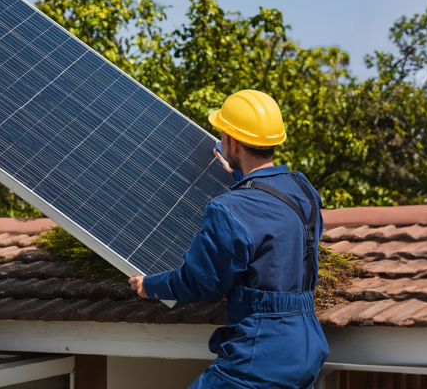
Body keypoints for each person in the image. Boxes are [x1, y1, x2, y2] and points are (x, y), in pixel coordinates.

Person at [129, 89, 329, 389]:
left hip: (261, 354)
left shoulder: (229, 209)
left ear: (232, 143)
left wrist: (150, 285)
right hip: (307, 344)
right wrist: (241, 178)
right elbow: (272, 214)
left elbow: (202, 281)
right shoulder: (303, 189)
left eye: (223, 135)